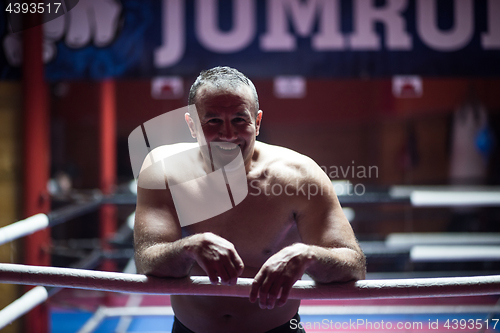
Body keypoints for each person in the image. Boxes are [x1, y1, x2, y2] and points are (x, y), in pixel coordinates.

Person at [133, 66, 366, 333]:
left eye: (239, 120)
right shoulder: (164, 169)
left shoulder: (300, 177)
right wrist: (190, 248)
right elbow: (147, 262)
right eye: (213, 121)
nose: (228, 135)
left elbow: (354, 266)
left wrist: (308, 255)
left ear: (257, 122)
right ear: (192, 126)